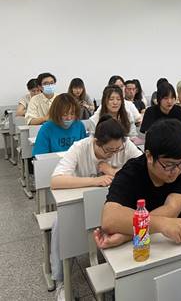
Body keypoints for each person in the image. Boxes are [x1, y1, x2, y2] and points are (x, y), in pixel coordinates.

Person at [49, 115, 142, 300]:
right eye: (109, 150)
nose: (114, 153)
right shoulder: (80, 147)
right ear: (96, 142)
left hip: (116, 205)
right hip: (82, 205)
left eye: (117, 149)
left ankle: (121, 276)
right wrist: (94, 181)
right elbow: (56, 181)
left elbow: (143, 169)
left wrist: (112, 171)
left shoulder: (124, 145)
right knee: (60, 224)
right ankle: (61, 280)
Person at [94, 119, 181, 249]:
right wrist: (162, 224)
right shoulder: (130, 173)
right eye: (169, 165)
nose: (176, 170)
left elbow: (172, 209)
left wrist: (128, 234)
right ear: (149, 156)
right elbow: (109, 219)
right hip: (143, 246)